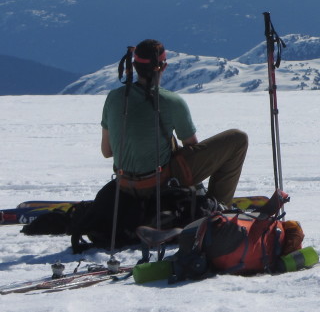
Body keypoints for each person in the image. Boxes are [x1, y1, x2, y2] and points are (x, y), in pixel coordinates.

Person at [101, 39, 249, 206]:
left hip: (125, 185)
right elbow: (191, 145)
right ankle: (219, 207)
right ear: (164, 66)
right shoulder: (171, 101)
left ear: (134, 65)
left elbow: (107, 151)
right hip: (159, 182)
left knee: (165, 137)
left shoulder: (114, 98)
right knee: (238, 139)